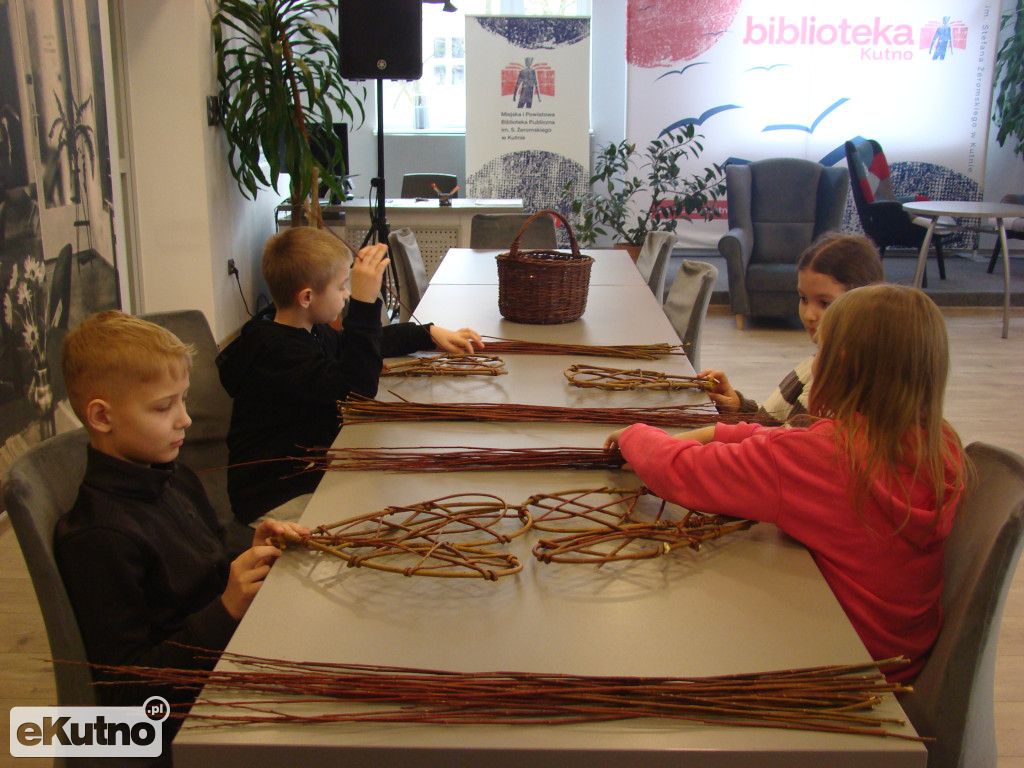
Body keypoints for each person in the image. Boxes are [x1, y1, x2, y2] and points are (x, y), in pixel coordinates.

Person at [605, 284, 969, 681]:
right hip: (905, 659)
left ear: (839, 363)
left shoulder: (827, 457)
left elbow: (679, 472)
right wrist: (719, 432)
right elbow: (786, 442)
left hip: (842, 664)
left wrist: (634, 434)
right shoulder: (942, 445)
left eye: (820, 352)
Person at [54, 310, 308, 759]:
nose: (185, 419)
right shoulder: (99, 537)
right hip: (183, 722)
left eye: (184, 400)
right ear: (101, 416)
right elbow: (126, 697)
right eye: (162, 407)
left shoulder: (172, 476)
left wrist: (247, 552)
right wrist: (226, 606)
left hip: (219, 665)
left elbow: (203, 558)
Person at [217, 227, 484, 524]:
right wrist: (364, 303)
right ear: (307, 297)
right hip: (275, 496)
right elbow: (356, 386)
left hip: (307, 475)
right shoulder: (274, 352)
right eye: (342, 286)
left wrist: (426, 332)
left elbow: (356, 347)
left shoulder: (306, 329)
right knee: (391, 513)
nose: (346, 294)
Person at [701, 233, 884, 423]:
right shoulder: (817, 363)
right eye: (804, 298)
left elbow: (775, 448)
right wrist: (738, 407)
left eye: (825, 303)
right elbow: (776, 423)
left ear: (864, 305)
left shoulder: (832, 386)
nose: (808, 315)